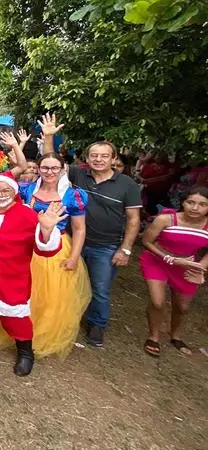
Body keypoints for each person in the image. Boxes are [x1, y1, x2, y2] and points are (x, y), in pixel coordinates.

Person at [41, 113, 142, 348]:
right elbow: (50, 162)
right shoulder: (77, 174)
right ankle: (68, 320)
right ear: (87, 157)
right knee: (66, 284)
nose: (98, 160)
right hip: (71, 239)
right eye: (94, 155)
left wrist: (125, 250)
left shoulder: (127, 185)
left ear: (113, 158)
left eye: (104, 156)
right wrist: (48, 137)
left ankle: (97, 325)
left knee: (100, 289)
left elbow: (134, 220)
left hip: (105, 246)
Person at [0, 174, 66, 376]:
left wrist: (47, 230)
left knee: (16, 318)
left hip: (11, 280)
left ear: (14, 192)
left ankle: (25, 353)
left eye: (5, 191)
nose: (0, 195)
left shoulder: (28, 215)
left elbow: (45, 250)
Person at [0, 153, 92, 358]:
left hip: (57, 249)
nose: (49, 172)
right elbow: (0, 201)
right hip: (25, 246)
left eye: (54, 168)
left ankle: (38, 336)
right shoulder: (26, 190)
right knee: (22, 291)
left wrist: (74, 257)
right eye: (45, 168)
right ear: (39, 169)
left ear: (63, 169)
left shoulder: (72, 195)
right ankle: (16, 331)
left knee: (50, 296)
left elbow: (79, 229)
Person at [139, 186, 208, 357]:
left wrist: (201, 267)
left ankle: (175, 335)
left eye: (202, 204)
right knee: (157, 301)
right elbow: (147, 241)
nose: (195, 208)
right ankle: (153, 336)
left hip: (187, 266)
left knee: (183, 307)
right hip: (157, 261)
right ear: (183, 202)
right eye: (190, 202)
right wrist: (169, 258)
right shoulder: (166, 219)